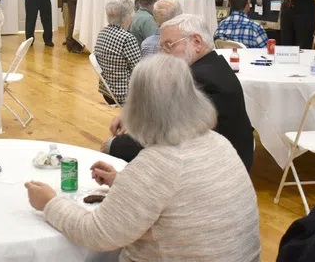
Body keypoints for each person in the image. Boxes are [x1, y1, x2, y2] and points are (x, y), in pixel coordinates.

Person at [25, 54, 262, 262]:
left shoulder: (159, 164)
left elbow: (96, 233)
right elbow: (185, 198)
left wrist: (49, 202)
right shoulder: (219, 143)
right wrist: (124, 183)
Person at [107, 14, 254, 170]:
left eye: (170, 46)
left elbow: (165, 134)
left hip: (218, 167)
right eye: (162, 47)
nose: (164, 54)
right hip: (228, 154)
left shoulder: (198, 79)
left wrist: (113, 146)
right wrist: (130, 117)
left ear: (197, 42)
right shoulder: (214, 64)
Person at [94, 0, 141, 105]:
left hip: (107, 91)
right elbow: (139, 69)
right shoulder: (127, 38)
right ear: (127, 18)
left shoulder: (102, 33)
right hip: (123, 94)